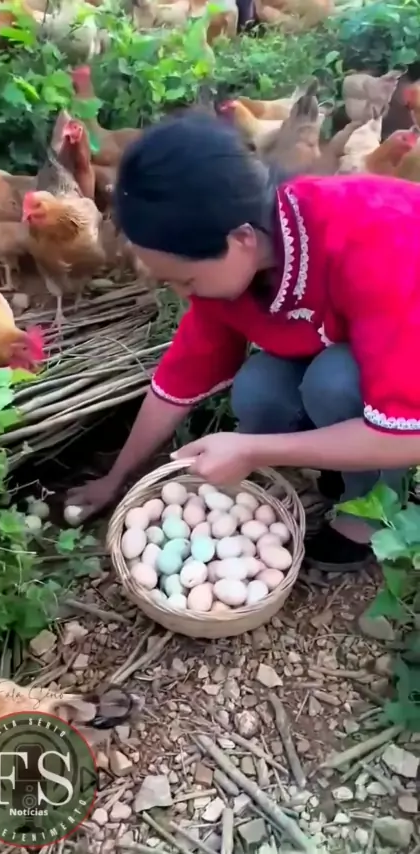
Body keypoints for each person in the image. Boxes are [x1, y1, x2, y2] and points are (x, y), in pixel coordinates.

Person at [67, 112, 420, 573]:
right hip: (369, 344)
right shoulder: (229, 259)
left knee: (334, 382)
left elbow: (409, 435)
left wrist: (254, 449)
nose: (185, 294)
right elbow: (181, 376)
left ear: (242, 240)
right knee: (260, 386)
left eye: (187, 280)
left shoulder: (374, 241)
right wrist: (117, 477)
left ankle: (374, 507)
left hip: (408, 352)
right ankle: (342, 458)